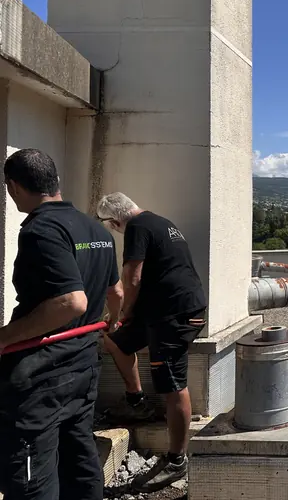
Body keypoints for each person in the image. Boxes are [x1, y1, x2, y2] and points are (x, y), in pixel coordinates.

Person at [0, 148, 123, 500]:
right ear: (55, 182)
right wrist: (111, 323)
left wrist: (4, 338)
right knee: (77, 454)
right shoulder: (93, 228)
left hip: (42, 374)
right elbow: (115, 292)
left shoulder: (41, 230)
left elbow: (71, 302)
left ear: (13, 186)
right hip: (83, 365)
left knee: (30, 473)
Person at [96, 192, 207, 492]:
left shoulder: (136, 227)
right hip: (168, 309)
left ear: (116, 220)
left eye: (110, 226)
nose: (114, 230)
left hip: (175, 314)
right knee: (115, 341)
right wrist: (128, 320)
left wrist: (120, 313)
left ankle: (176, 460)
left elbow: (132, 278)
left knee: (172, 385)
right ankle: (137, 402)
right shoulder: (159, 222)